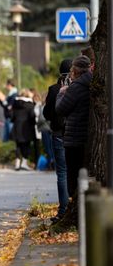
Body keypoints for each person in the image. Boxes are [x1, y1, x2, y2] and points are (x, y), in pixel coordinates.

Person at [56, 55, 92, 201]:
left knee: (73, 176)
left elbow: (60, 109)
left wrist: (61, 93)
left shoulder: (76, 87)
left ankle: (76, 205)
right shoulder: (91, 83)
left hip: (74, 137)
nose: (70, 73)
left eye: (72, 70)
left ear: (76, 71)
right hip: (87, 136)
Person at [43, 59, 72, 222]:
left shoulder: (54, 89)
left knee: (62, 172)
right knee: (75, 171)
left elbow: (46, 114)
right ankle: (75, 206)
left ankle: (63, 210)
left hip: (58, 133)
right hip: (75, 134)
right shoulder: (78, 87)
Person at [11, 89, 35, 171]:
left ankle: (17, 163)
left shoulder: (15, 104)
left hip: (16, 127)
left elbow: (12, 117)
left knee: (18, 145)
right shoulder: (30, 104)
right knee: (26, 145)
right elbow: (32, 116)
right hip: (26, 127)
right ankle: (24, 163)